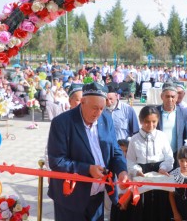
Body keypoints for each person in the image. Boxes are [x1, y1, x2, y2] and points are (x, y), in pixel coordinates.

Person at [47, 82, 128, 221]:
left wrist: (122, 170)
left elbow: (115, 151)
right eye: (94, 108)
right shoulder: (61, 123)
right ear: (82, 102)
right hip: (70, 198)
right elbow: (57, 161)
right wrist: (87, 169)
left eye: (102, 108)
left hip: (97, 196)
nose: (98, 113)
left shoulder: (106, 119)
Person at [126, 105, 174, 221]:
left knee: (160, 207)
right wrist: (137, 170)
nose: (151, 125)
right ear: (141, 120)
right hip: (142, 175)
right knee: (143, 208)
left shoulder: (162, 136)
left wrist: (164, 168)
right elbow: (130, 160)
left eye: (154, 122)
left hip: (160, 174)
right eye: (147, 122)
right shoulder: (134, 139)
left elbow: (169, 157)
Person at [156, 83, 187, 166]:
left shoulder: (183, 113)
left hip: (177, 154)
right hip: (159, 155)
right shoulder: (155, 112)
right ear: (162, 97)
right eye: (167, 96)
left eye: (172, 97)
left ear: (177, 97)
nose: (170, 99)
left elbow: (186, 136)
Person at [169, 146, 187, 221]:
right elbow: (171, 195)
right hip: (179, 211)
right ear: (178, 160)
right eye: (182, 161)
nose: (184, 164)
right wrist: (175, 213)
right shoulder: (173, 175)